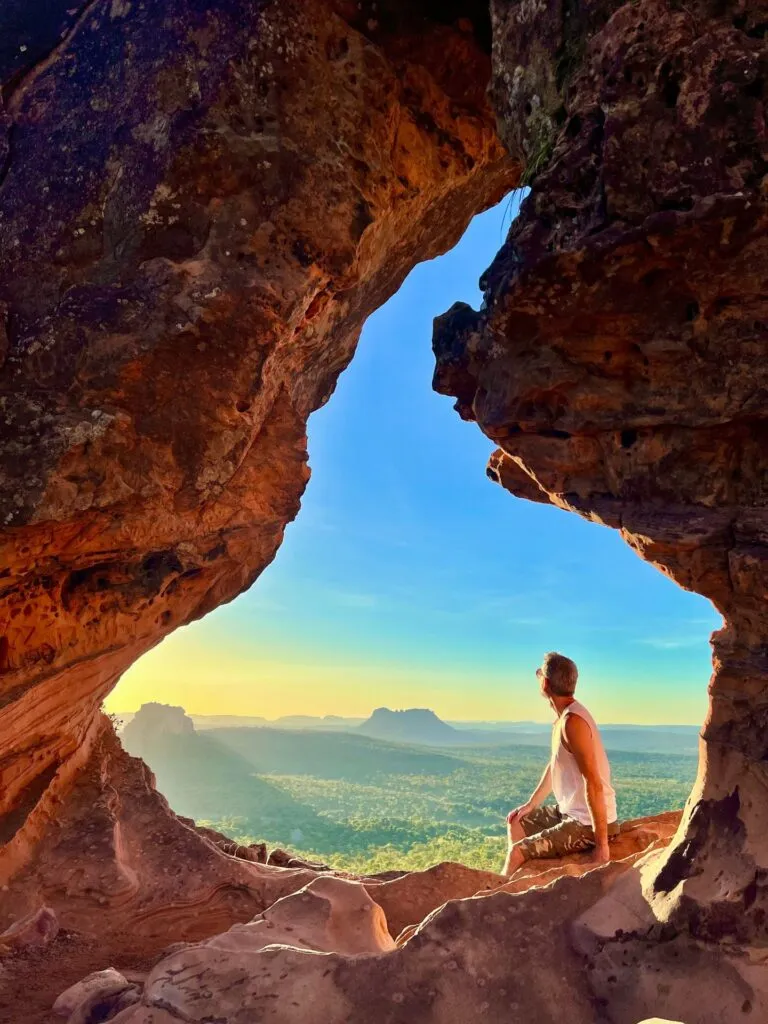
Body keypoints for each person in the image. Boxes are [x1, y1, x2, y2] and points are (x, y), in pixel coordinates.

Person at [503, 652, 618, 876]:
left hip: (585, 823)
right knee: (517, 821)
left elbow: (593, 782)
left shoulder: (572, 722)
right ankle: (524, 877)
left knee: (516, 852)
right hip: (570, 812)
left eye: (539, 675)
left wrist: (602, 847)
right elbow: (555, 765)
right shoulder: (562, 718)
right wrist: (531, 804)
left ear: (545, 683)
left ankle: (502, 897)